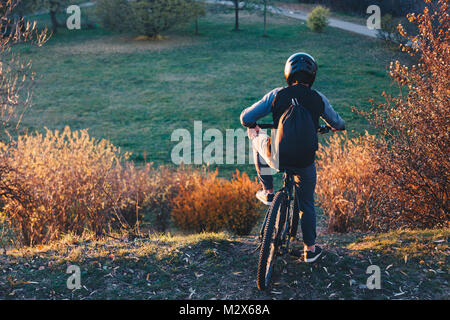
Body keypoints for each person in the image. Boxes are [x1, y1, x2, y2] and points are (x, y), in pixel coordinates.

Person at [240, 52, 345, 263]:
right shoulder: (318, 98)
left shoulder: (277, 95)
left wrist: (254, 127)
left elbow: (246, 118)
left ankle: (268, 191)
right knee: (306, 202)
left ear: (288, 73)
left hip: (277, 156)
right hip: (305, 162)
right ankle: (310, 250)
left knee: (256, 136)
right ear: (313, 75)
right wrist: (331, 128)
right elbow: (339, 124)